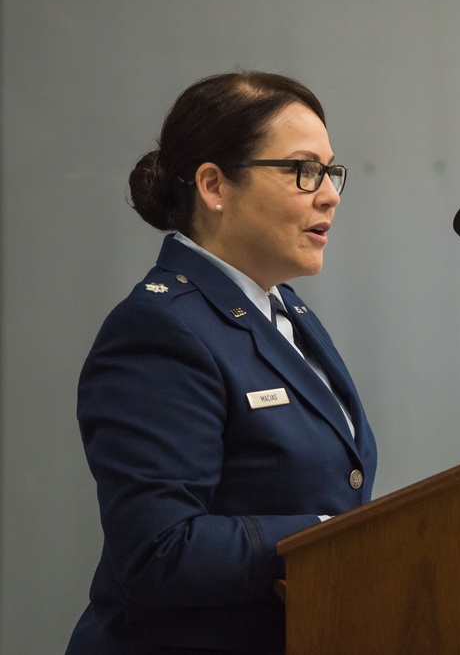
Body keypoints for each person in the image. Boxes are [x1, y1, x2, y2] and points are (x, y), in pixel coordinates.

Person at [65, 71, 377, 655]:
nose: (330, 193)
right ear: (214, 184)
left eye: (331, 171)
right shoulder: (160, 329)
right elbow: (159, 551)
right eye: (304, 170)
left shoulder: (284, 311)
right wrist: (328, 539)